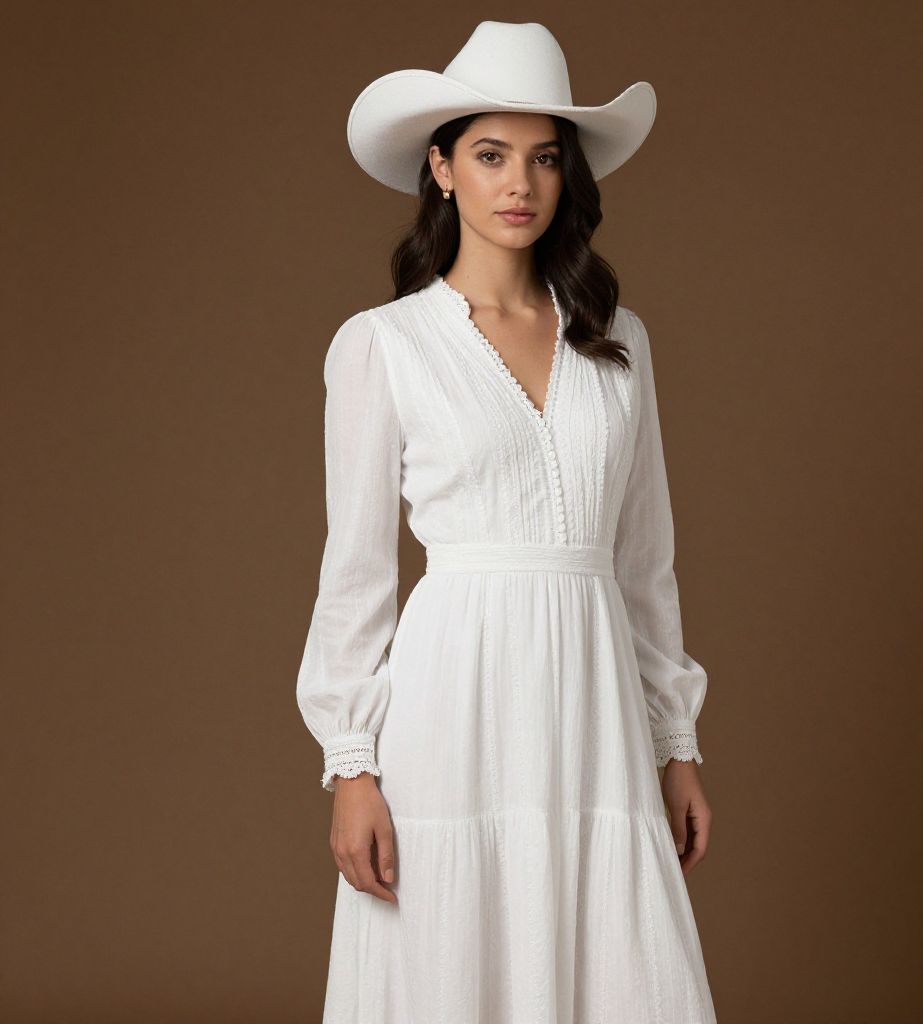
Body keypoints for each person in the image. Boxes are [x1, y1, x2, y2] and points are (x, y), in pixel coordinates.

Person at [296, 20, 717, 1024]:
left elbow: (645, 562)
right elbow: (353, 573)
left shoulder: (620, 348)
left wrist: (677, 741)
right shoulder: (382, 346)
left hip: (592, 697)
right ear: (441, 168)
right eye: (490, 155)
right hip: (453, 700)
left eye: (542, 157)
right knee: (453, 948)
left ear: (568, 176)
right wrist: (351, 767)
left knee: (609, 950)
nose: (518, 182)